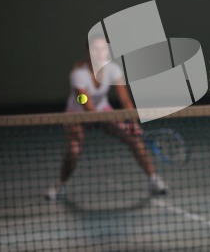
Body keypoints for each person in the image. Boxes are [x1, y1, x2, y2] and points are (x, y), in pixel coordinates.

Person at [46, 35, 167, 200]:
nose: (99, 52)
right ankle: (60, 186)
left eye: (103, 49)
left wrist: (132, 122)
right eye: (95, 49)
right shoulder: (78, 74)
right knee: (74, 149)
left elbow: (125, 99)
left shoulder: (113, 70)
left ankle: (154, 180)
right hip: (77, 113)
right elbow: (84, 100)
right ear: (88, 52)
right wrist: (116, 123)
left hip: (103, 108)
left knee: (135, 139)